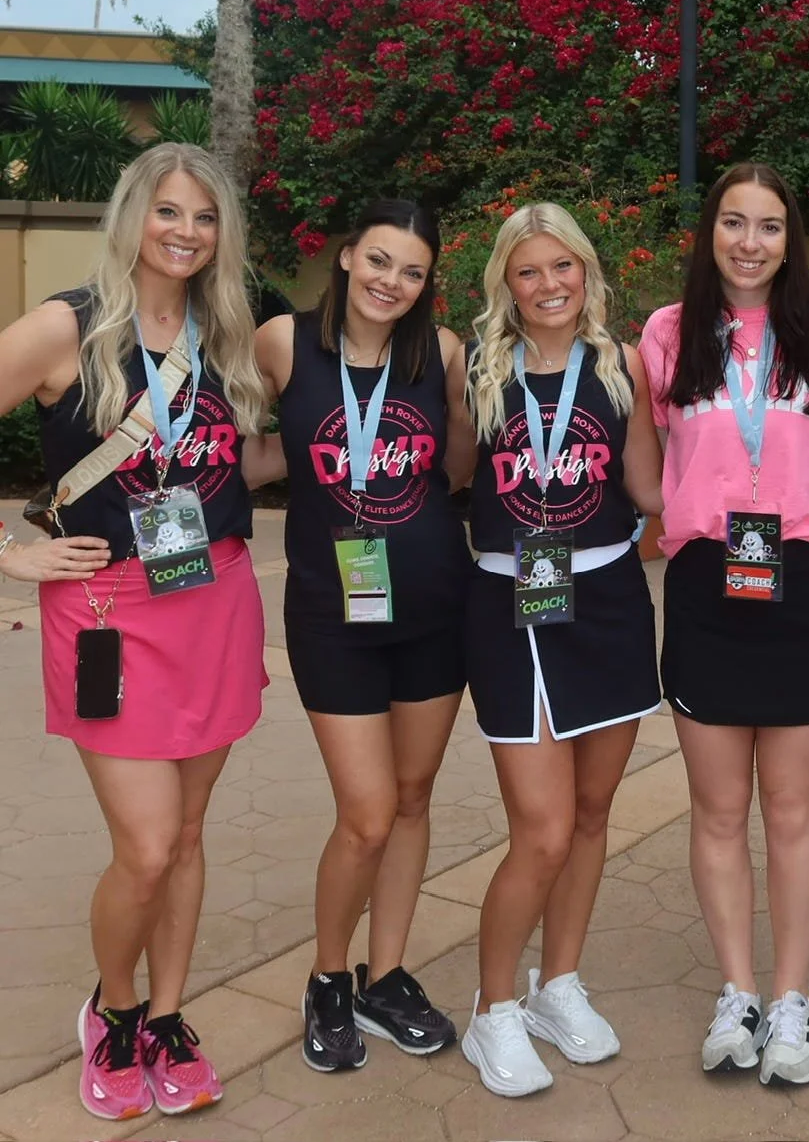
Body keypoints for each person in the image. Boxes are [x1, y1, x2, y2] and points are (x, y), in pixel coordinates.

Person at [0, 143, 267, 1120]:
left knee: (188, 833)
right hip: (106, 613)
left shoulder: (228, 330)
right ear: (131, 215)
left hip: (215, 597)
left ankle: (167, 1015)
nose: (186, 232)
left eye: (205, 216)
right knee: (148, 846)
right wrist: (9, 551)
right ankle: (112, 1012)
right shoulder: (64, 326)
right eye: (168, 211)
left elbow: (246, 453)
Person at [639, 162, 809, 1088]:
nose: (749, 242)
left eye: (769, 226)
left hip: (803, 585)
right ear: (709, 231)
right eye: (733, 222)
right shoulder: (665, 332)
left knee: (792, 810)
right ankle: (736, 992)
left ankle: (791, 998)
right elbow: (648, 462)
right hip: (706, 584)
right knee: (720, 809)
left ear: (789, 239)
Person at [447, 202, 663, 1097]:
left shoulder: (622, 366)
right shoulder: (476, 368)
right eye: (528, 270)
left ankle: (557, 983)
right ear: (504, 279)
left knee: (590, 815)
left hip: (608, 600)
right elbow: (446, 473)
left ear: (587, 271)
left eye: (562, 266)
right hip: (509, 604)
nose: (548, 285)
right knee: (540, 830)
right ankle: (492, 1008)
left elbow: (649, 487)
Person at [253, 199, 474, 1072]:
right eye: (379, 260)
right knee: (368, 812)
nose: (392, 281)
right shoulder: (282, 342)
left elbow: (456, 463)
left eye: (412, 271)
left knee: (412, 798)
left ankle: (385, 975)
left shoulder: (440, 351)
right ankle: (327, 977)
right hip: (329, 614)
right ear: (347, 257)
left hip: (433, 608)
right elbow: (237, 439)